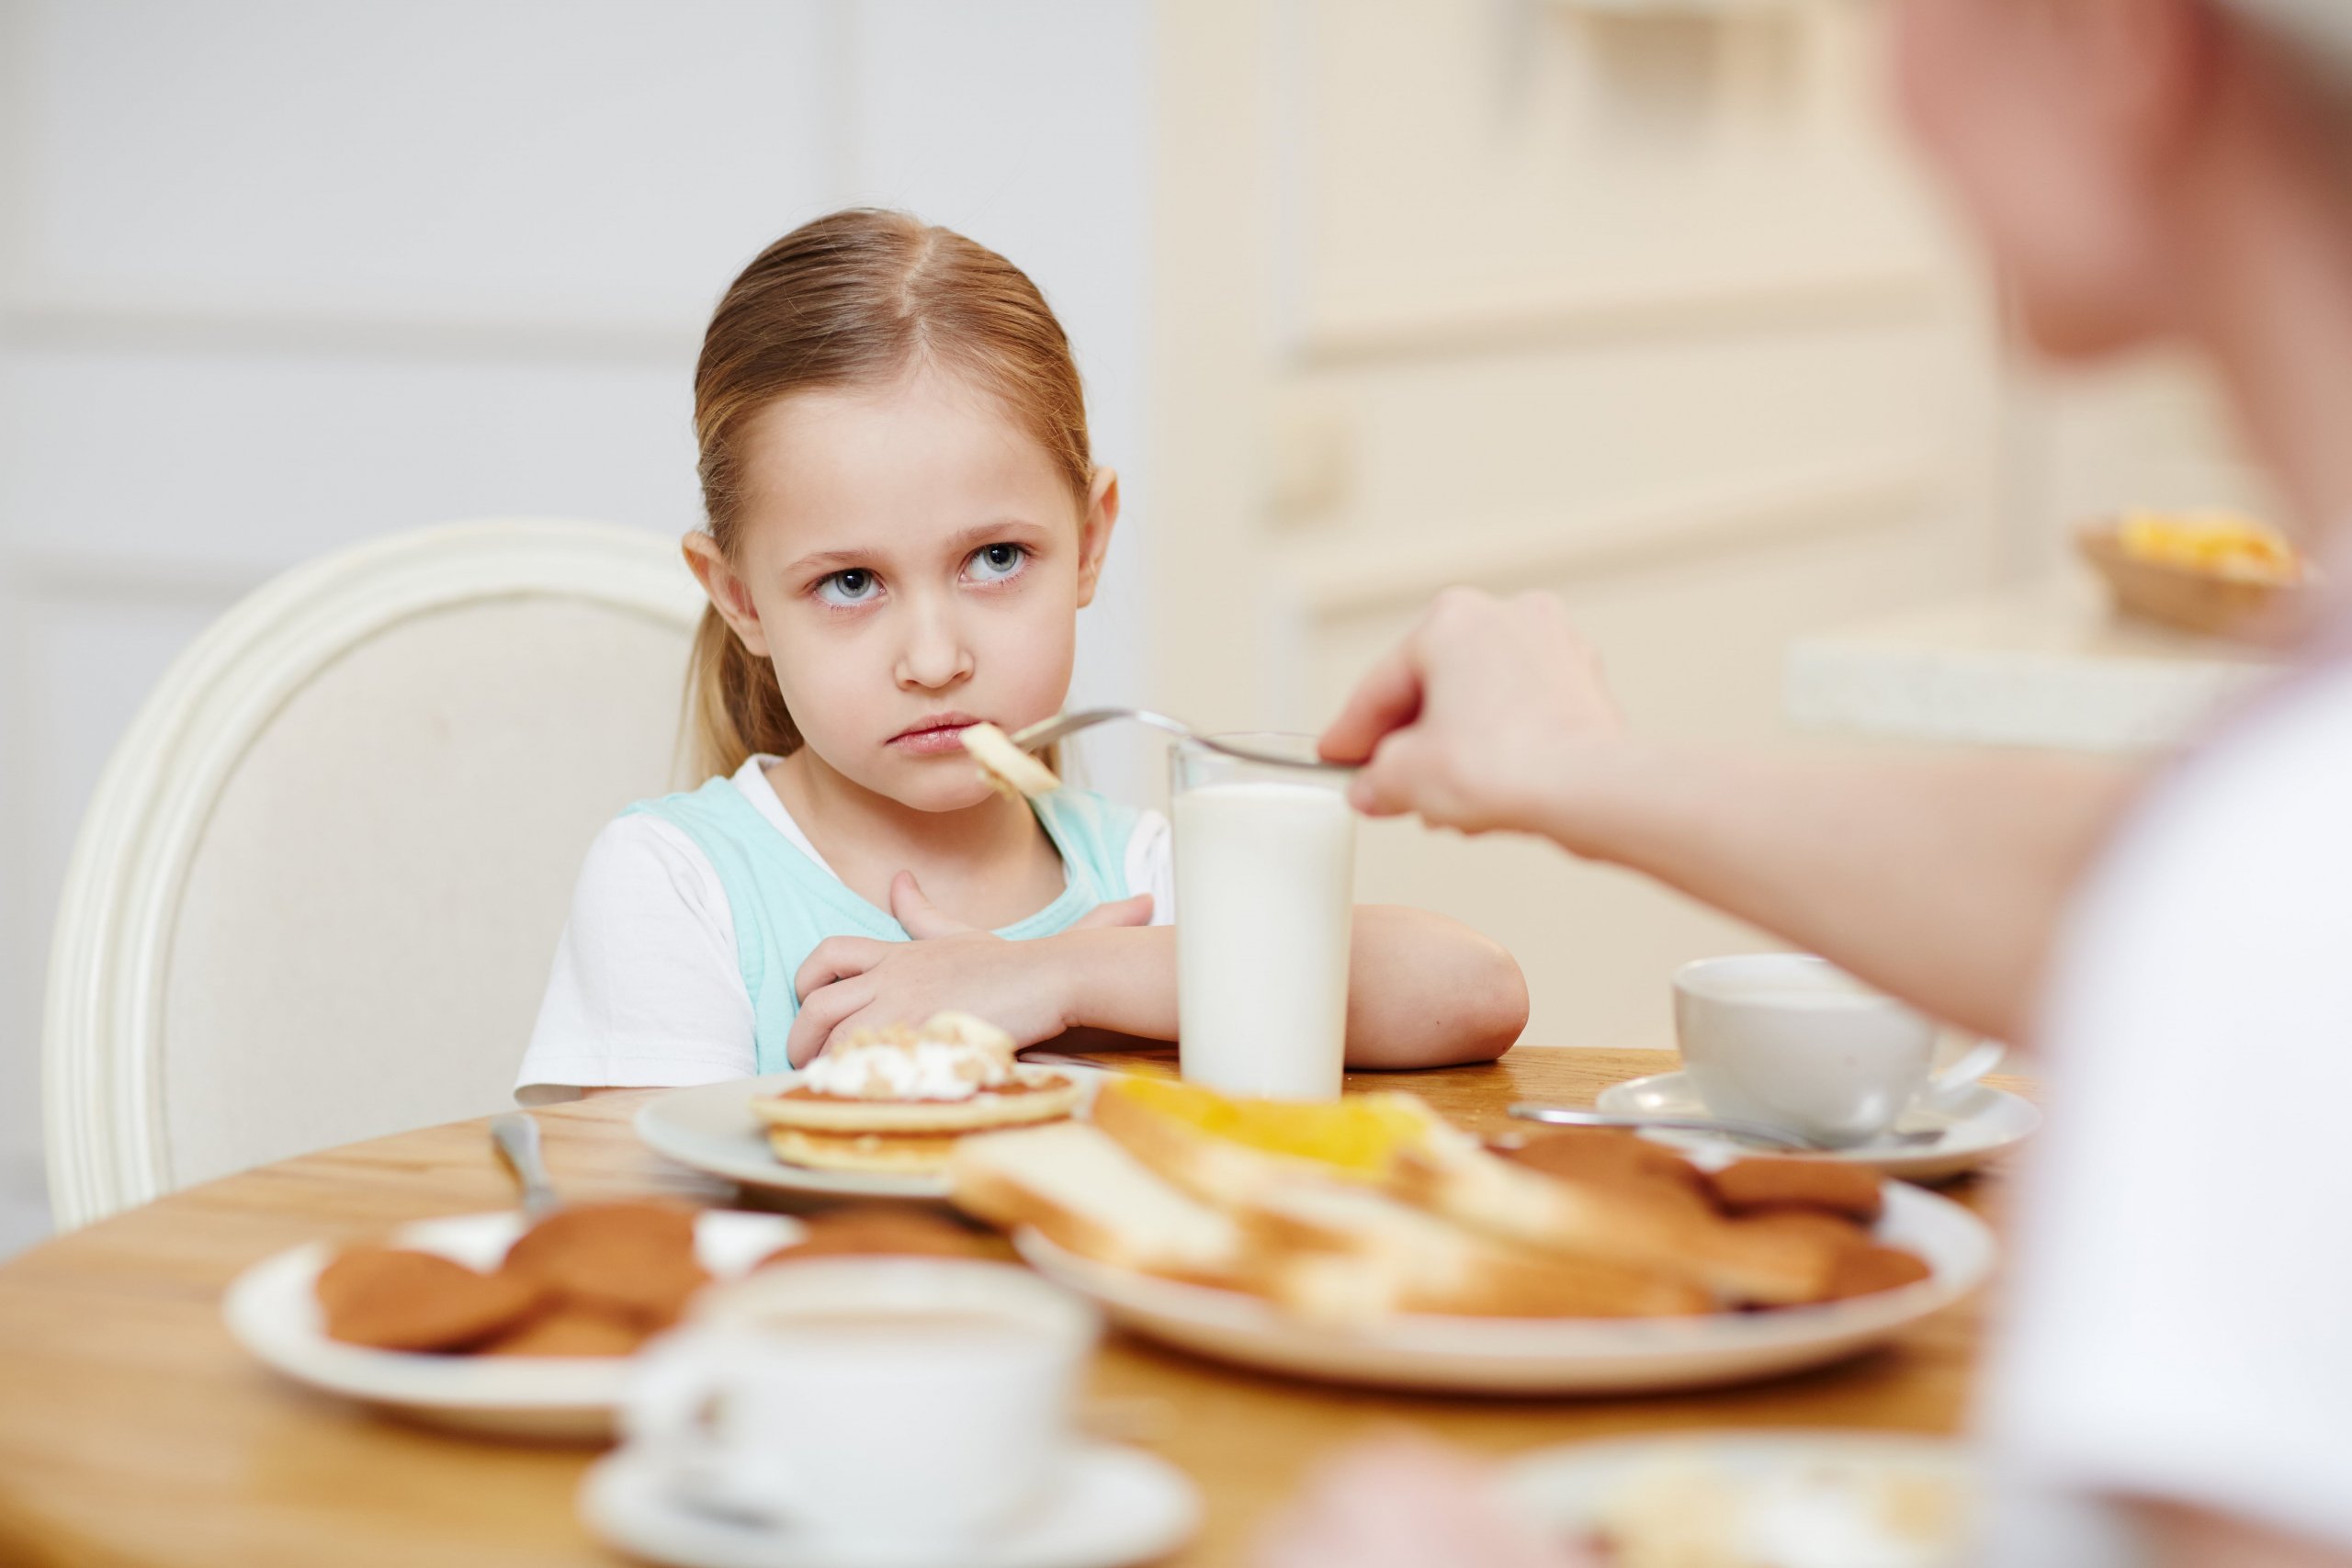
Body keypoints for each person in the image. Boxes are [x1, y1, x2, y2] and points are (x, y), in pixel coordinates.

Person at [1268, 0, 2352, 1562]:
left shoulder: (2281, 868)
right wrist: (1579, 770)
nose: (1888, 91)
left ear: (2112, 41)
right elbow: (2121, 892)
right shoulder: (2271, 842)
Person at [514, 210, 1527, 1102]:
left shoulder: (1146, 878)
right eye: (850, 582)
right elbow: (643, 1210)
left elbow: (1474, 991)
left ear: (1088, 541)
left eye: (995, 559)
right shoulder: (676, 884)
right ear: (738, 597)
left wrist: (1058, 978)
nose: (934, 658)